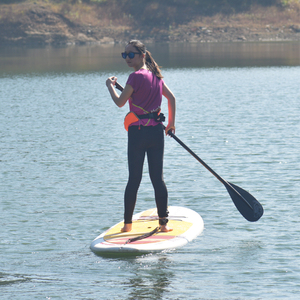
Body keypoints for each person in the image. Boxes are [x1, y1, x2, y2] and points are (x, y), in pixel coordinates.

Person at [106, 40, 176, 233]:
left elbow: (120, 102)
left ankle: (127, 226)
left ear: (142, 55)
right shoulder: (157, 77)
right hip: (156, 132)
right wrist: (171, 124)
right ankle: (164, 225)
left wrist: (109, 86)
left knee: (134, 179)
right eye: (124, 55)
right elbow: (172, 98)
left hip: (137, 134)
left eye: (131, 54)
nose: (127, 58)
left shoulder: (134, 77)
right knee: (157, 179)